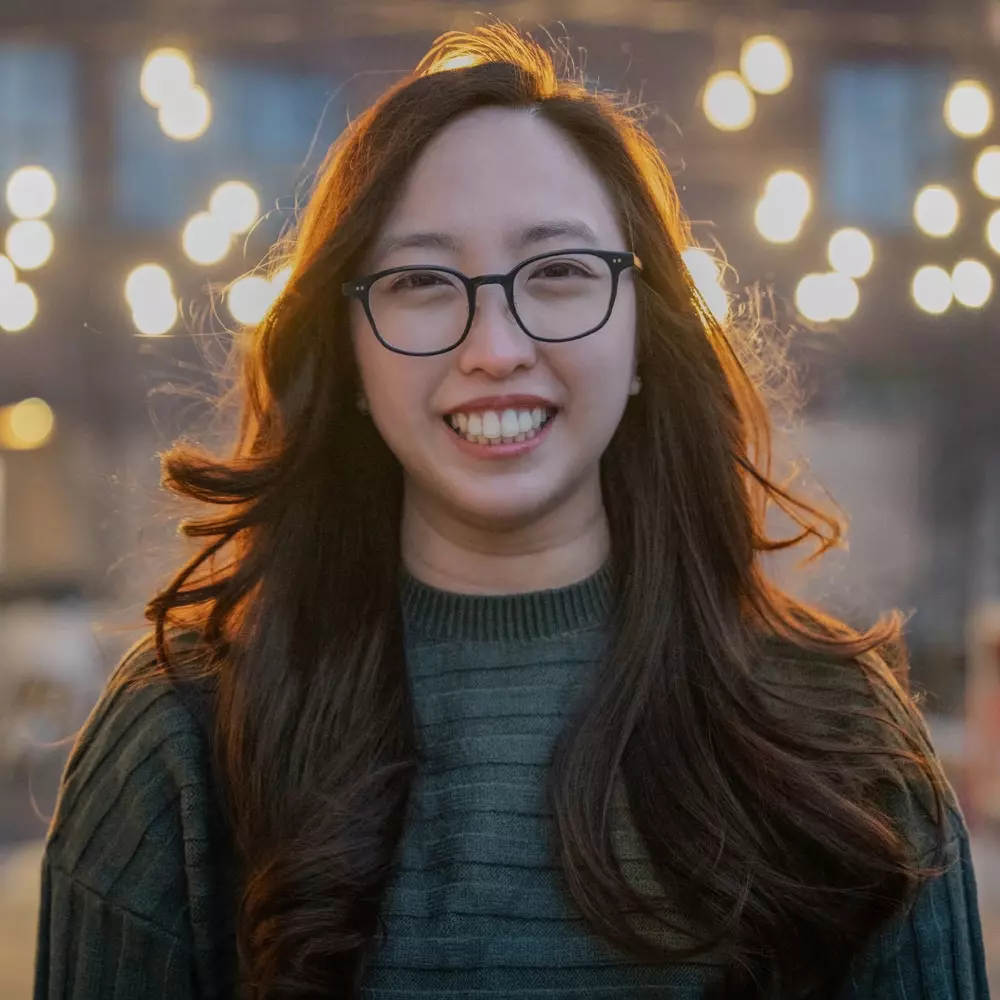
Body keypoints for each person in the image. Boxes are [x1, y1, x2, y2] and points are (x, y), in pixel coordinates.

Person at [33, 23, 989, 1000]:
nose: (494, 345)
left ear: (643, 334)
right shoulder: (180, 741)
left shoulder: (841, 741)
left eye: (558, 272)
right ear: (350, 348)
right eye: (418, 283)